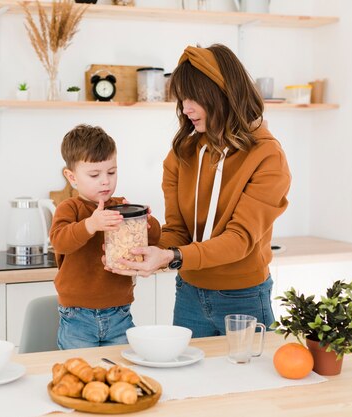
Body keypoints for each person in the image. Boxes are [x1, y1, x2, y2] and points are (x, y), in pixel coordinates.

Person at [109, 44, 292, 337]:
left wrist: (172, 257)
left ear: (223, 93)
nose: (185, 109)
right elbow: (178, 230)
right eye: (181, 100)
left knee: (251, 381)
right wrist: (146, 244)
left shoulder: (268, 156)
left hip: (243, 298)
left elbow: (239, 240)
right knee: (189, 382)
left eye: (193, 98)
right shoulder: (183, 153)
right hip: (189, 294)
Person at [50, 124, 161, 349]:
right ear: (71, 177)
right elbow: (60, 241)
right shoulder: (69, 208)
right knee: (80, 375)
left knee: (122, 373)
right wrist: (91, 224)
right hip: (77, 317)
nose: (105, 181)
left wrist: (145, 223)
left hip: (120, 313)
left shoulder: (122, 206)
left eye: (111, 172)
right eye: (94, 174)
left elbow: (156, 238)